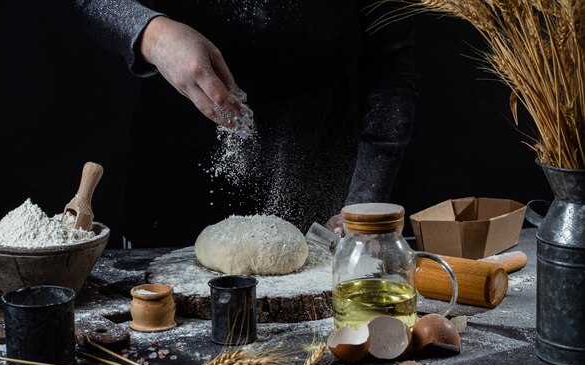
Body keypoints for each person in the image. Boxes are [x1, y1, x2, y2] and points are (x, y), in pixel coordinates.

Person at [71, 0, 418, 247]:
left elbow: (392, 71)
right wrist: (154, 35)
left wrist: (364, 203)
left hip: (321, 218)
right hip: (172, 209)